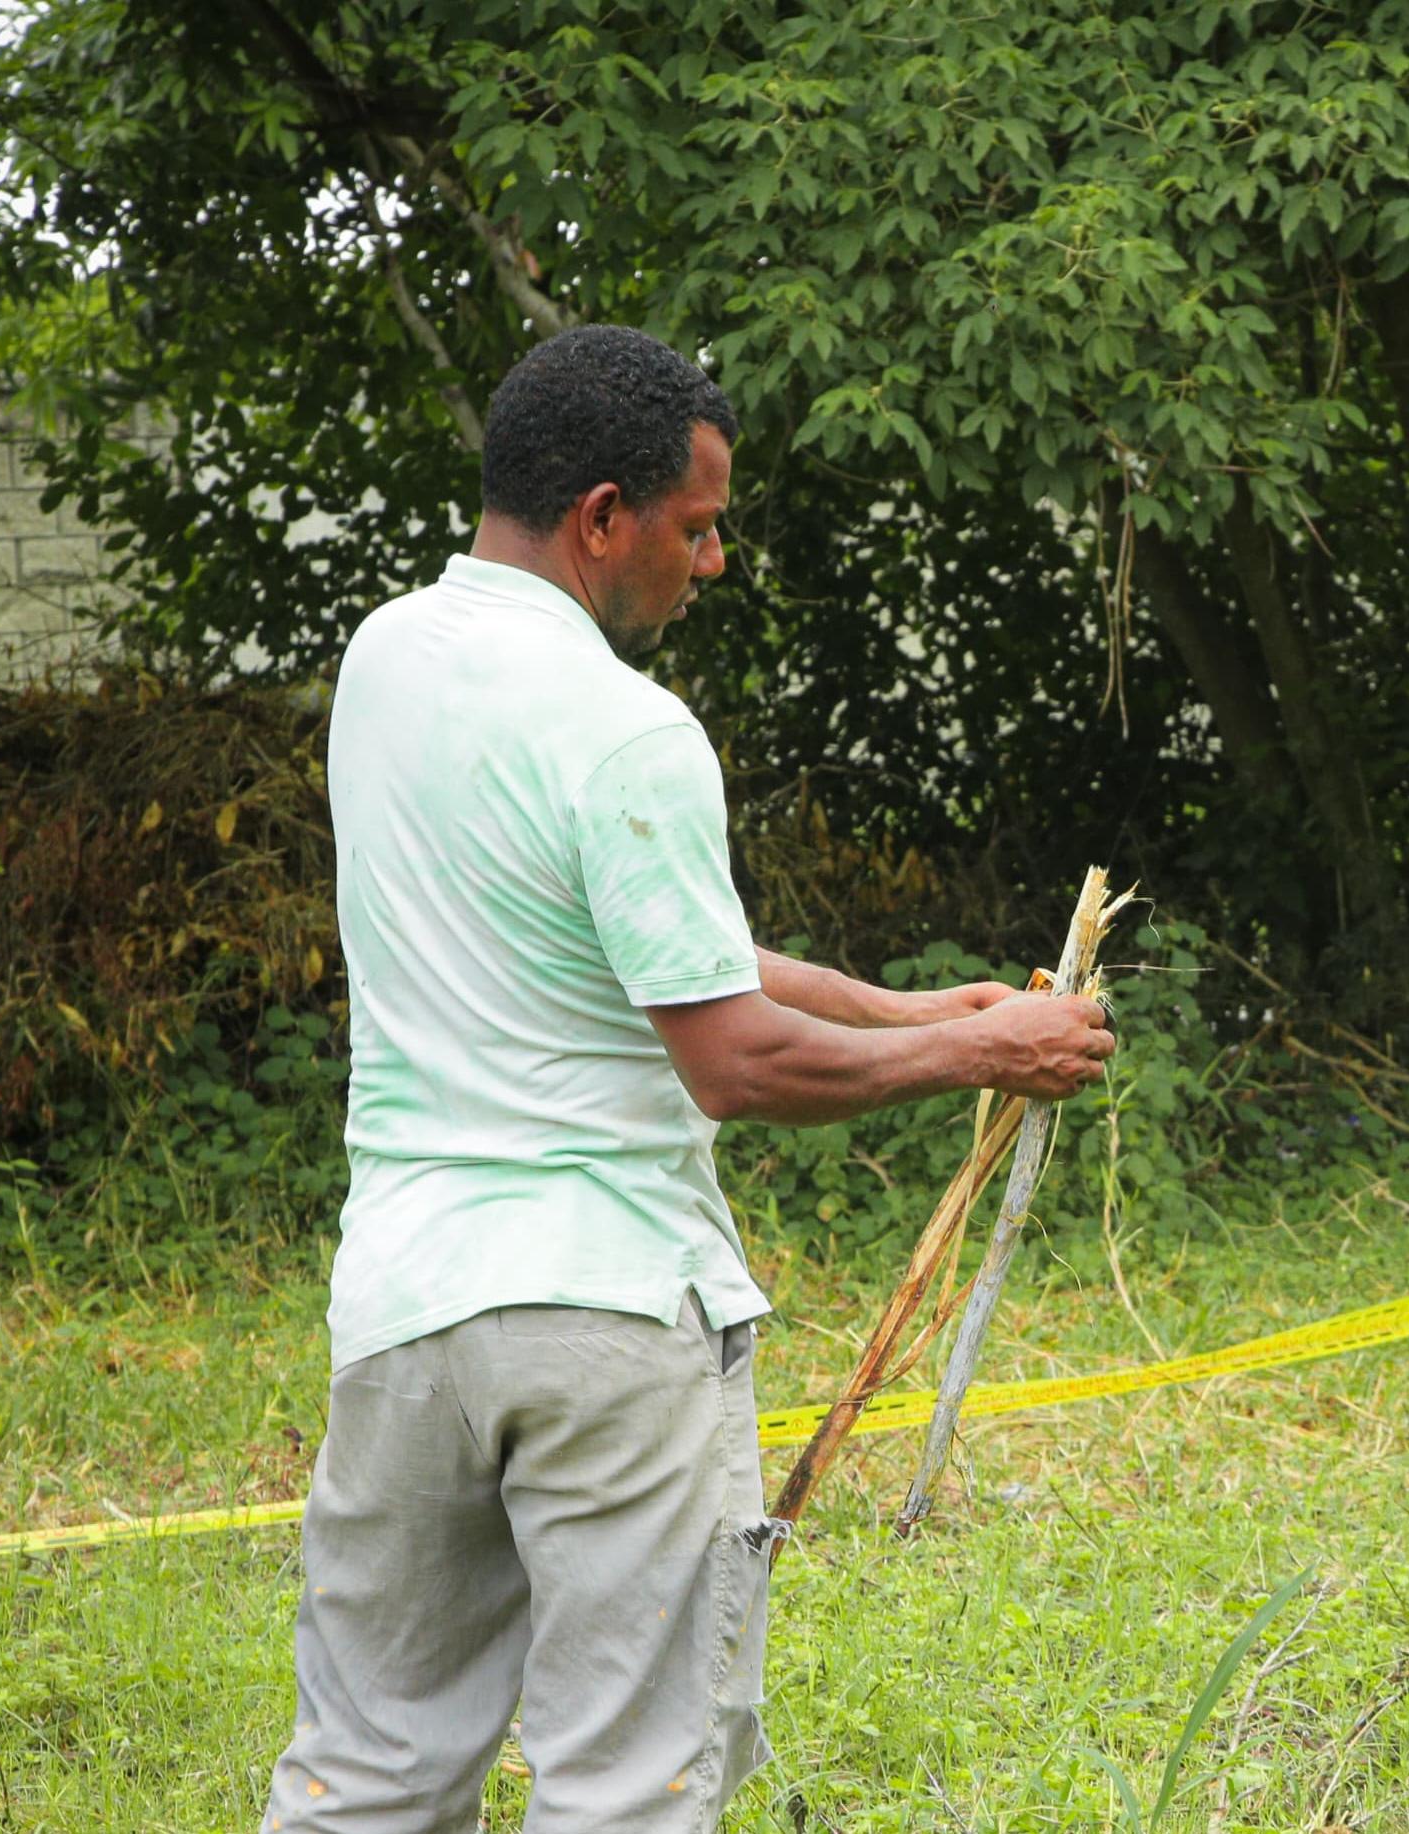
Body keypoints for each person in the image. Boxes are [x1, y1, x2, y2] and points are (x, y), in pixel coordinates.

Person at [270, 325, 1116, 1834]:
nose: (709, 563)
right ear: (606, 516)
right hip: (600, 1322)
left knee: (371, 1772)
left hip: (402, 1314)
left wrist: (902, 1000)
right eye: (699, 525)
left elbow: (650, 946)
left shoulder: (388, 657)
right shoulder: (627, 727)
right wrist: (987, 1051)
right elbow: (729, 1057)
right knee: (628, 1784)